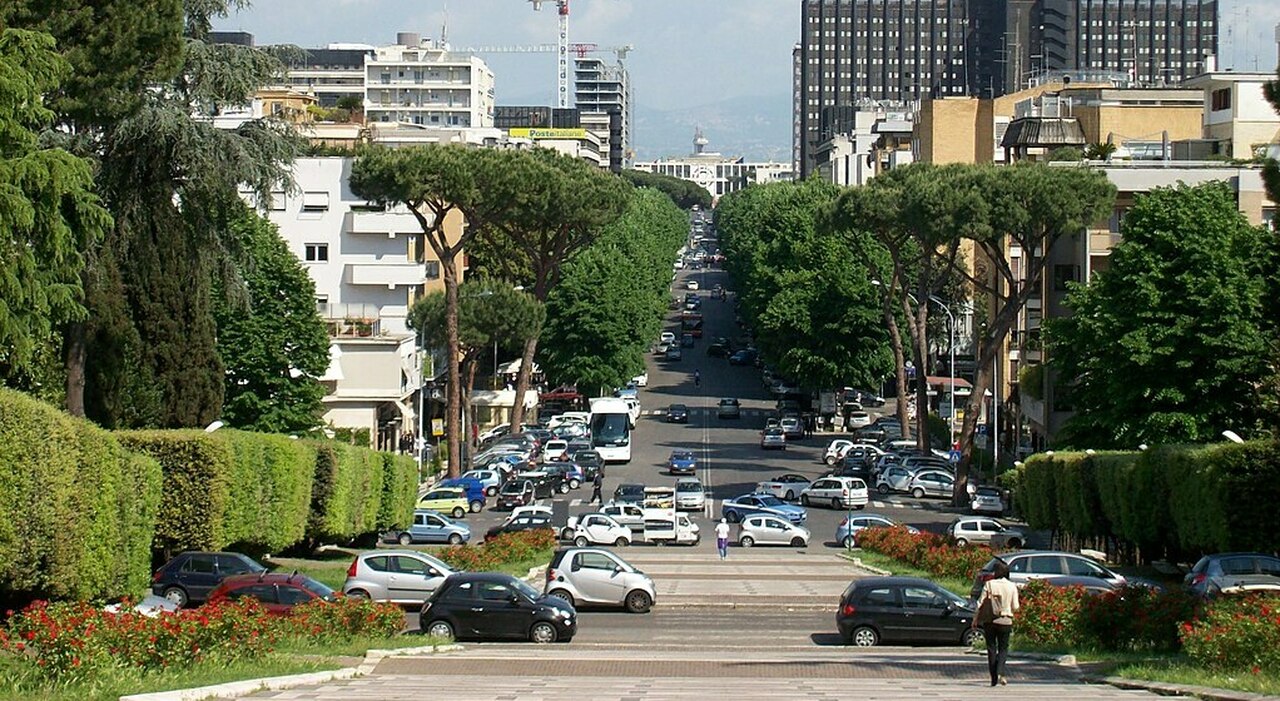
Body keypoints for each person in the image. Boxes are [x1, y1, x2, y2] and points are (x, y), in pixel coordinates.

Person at [973, 558, 1020, 686]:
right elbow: (1016, 606)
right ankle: (1001, 671)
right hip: (1006, 620)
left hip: (990, 620)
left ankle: (993, 678)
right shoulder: (1012, 586)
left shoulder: (989, 584)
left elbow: (980, 602)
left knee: (991, 648)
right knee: (1003, 648)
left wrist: (975, 618)